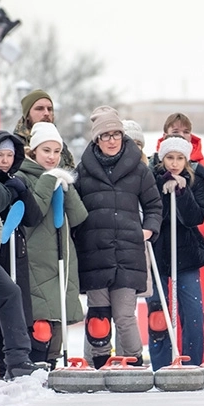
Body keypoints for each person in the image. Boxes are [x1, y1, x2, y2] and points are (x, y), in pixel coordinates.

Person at [74, 106, 162, 368]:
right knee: (99, 316)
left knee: (124, 315)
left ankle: (134, 364)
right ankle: (98, 365)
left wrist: (148, 229)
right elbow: (74, 208)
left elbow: (154, 205)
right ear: (96, 140)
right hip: (95, 253)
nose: (111, 140)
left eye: (116, 134)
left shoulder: (138, 169)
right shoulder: (83, 171)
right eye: (105, 136)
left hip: (128, 252)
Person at [154, 113, 204, 363]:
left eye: (184, 131)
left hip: (195, 248)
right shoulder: (153, 171)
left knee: (201, 307)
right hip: (161, 251)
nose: (179, 134)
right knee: (162, 310)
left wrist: (192, 234)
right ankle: (165, 361)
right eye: (174, 131)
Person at [19, 122, 88, 366]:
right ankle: (37, 362)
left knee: (58, 316)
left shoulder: (59, 177)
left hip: (61, 255)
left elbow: (79, 217)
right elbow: (32, 213)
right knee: (42, 319)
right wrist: (49, 180)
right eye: (46, 150)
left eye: (56, 151)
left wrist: (66, 186)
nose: (52, 157)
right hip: (37, 257)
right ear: (34, 151)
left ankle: (53, 362)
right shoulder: (22, 176)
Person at [0, 129, 45, 379]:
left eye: (9, 155)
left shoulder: (17, 180)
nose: (5, 160)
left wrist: (24, 193)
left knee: (15, 305)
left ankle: (15, 359)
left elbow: (33, 218)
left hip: (16, 252)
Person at [148, 136, 204, 369]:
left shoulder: (196, 181)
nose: (174, 163)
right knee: (158, 314)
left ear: (187, 160)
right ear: (162, 159)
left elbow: (197, 217)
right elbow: (150, 214)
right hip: (157, 251)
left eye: (180, 158)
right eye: (170, 158)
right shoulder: (151, 179)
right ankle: (161, 366)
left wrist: (183, 194)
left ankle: (192, 364)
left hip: (186, 252)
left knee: (194, 313)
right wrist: (163, 192)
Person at [13, 89, 74, 168]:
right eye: (39, 108)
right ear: (27, 115)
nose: (46, 113)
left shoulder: (60, 144)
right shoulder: (15, 144)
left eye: (49, 109)